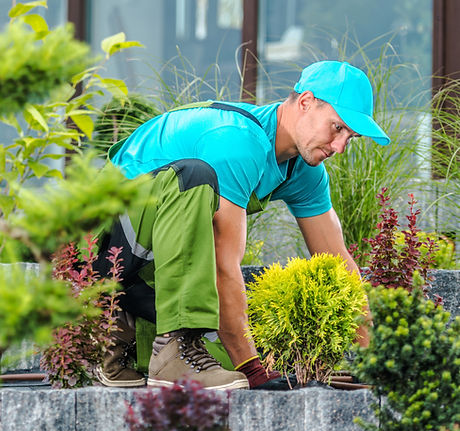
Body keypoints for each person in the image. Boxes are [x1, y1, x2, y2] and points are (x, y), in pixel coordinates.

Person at [91, 61, 388, 390]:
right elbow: (222, 265)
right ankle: (158, 343)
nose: (340, 147)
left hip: (153, 267)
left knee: (238, 361)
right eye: (337, 128)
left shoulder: (304, 170)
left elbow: (339, 263)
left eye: (351, 137)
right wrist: (253, 371)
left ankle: (120, 335)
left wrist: (372, 360)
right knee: (194, 177)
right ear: (306, 102)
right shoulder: (237, 141)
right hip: (102, 249)